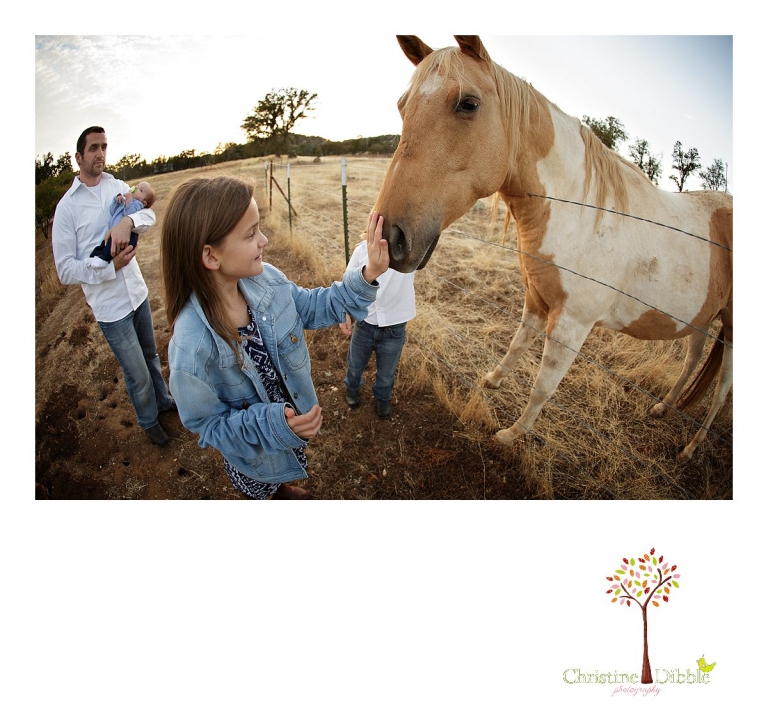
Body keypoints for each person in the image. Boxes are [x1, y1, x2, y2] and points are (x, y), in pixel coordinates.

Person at [161, 175, 389, 500]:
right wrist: (275, 427)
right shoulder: (191, 346)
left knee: (286, 471)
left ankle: (283, 487)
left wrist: (369, 274)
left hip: (293, 429)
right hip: (255, 460)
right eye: (251, 234)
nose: (264, 240)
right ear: (211, 257)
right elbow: (208, 426)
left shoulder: (269, 281)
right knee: (265, 491)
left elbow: (314, 306)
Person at [52, 126, 175, 446]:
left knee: (151, 356)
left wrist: (128, 221)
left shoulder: (118, 186)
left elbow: (147, 214)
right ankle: (149, 421)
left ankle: (163, 402)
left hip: (137, 292)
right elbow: (64, 270)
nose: (101, 153)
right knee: (136, 373)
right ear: (78, 157)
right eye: (93, 148)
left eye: (104, 146)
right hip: (110, 307)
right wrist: (109, 267)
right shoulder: (66, 208)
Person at [339, 240, 416, 417]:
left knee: (386, 372)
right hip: (365, 324)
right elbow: (348, 281)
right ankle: (352, 388)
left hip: (394, 329)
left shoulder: (409, 253)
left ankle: (383, 398)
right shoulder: (361, 250)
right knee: (355, 364)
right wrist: (345, 311)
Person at [89, 181, 156, 267]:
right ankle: (93, 257)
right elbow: (113, 211)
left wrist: (128, 200)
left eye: (141, 190)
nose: (136, 188)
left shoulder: (138, 204)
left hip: (128, 236)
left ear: (144, 202)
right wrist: (117, 200)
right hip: (113, 233)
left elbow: (128, 213)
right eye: (137, 186)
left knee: (110, 246)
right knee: (104, 245)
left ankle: (103, 259)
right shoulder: (128, 200)